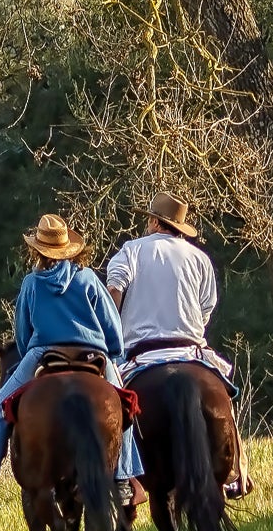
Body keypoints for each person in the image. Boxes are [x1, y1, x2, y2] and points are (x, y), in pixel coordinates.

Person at [0, 213, 144, 504]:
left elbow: (22, 333)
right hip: (94, 354)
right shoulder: (89, 278)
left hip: (44, 353)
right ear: (70, 249)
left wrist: (30, 349)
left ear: (38, 250)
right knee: (124, 406)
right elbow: (112, 326)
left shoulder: (32, 282)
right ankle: (122, 480)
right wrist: (114, 353)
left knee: (1, 404)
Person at [105, 192, 251, 498]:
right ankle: (237, 471)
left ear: (156, 222)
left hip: (141, 354)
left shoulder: (131, 250)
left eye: (149, 218)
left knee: (116, 406)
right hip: (190, 348)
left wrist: (112, 329)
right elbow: (206, 308)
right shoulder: (199, 258)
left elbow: (114, 288)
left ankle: (122, 477)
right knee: (224, 394)